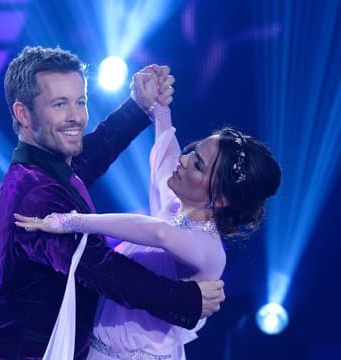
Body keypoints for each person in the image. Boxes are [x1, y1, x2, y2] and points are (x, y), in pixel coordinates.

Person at [0, 46, 225, 359]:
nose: (76, 116)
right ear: (23, 113)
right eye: (60, 104)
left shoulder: (46, 168)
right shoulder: (35, 191)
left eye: (81, 101)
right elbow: (100, 267)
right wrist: (183, 299)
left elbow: (90, 155)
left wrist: (139, 106)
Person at [15, 98, 282, 359]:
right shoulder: (174, 209)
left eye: (198, 165)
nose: (185, 160)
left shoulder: (209, 250)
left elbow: (159, 233)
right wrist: (160, 105)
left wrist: (70, 221)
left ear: (221, 199)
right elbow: (166, 156)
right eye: (194, 152)